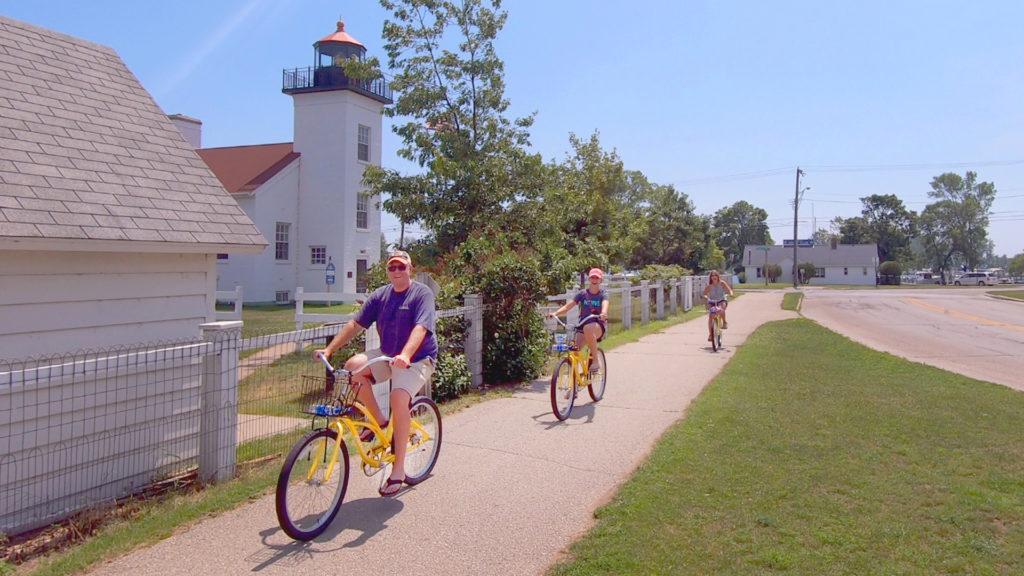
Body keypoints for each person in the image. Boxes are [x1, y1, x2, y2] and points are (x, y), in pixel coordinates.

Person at [315, 250, 437, 497]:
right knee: (352, 368)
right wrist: (329, 349)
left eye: (401, 267)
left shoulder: (421, 294)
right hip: (387, 354)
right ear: (387, 271)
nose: (396, 272)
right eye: (392, 268)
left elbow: (421, 328)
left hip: (418, 359)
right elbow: (355, 324)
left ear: (409, 269)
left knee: (398, 398)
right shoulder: (380, 296)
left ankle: (399, 470)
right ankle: (379, 422)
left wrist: (405, 355)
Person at [548, 268, 609, 371]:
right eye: (592, 277)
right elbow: (568, 307)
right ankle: (574, 380)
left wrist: (604, 313)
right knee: (574, 350)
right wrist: (555, 313)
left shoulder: (602, 293)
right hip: (582, 324)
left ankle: (595, 361)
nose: (594, 280)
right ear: (589, 279)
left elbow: (605, 304)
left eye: (597, 278)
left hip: (597, 325)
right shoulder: (582, 294)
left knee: (588, 329)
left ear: (600, 280)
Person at [703, 269, 734, 342]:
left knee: (721, 309)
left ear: (718, 276)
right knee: (711, 316)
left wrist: (731, 294)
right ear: (710, 277)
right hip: (712, 301)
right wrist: (706, 297)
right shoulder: (709, 286)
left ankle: (724, 322)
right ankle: (711, 334)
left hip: (721, 300)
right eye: (712, 275)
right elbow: (704, 293)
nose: (714, 277)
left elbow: (729, 290)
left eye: (715, 275)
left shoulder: (722, 283)